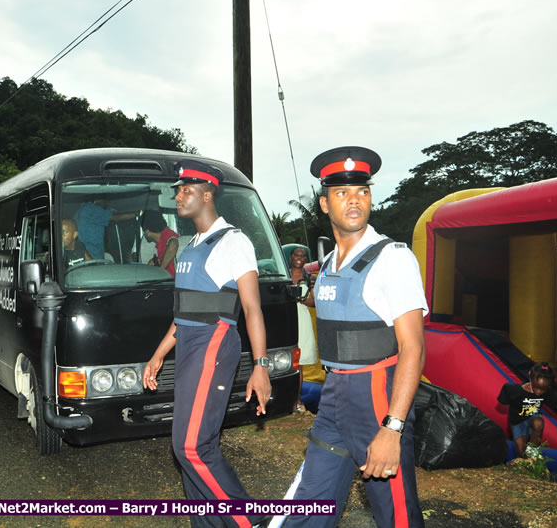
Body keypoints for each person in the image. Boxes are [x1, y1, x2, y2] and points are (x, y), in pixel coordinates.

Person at [281, 147, 428, 528]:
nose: (354, 199)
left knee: (395, 512)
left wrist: (392, 428)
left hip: (377, 394)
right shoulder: (329, 263)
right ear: (324, 204)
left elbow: (413, 348)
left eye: (362, 191)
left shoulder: (392, 258)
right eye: (342, 192)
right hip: (334, 393)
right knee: (309, 500)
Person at [142, 160, 270, 528]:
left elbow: (252, 309)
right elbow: (185, 313)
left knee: (191, 446)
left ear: (208, 194)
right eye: (178, 190)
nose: (178, 196)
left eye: (186, 190)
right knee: (190, 447)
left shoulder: (234, 241)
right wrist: (158, 354)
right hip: (189, 345)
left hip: (214, 343)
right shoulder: (190, 246)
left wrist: (260, 368)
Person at [497, 362, 557, 457]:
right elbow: (503, 397)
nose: (539, 392)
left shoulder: (547, 392)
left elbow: (556, 402)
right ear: (530, 379)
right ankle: (525, 459)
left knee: (538, 423)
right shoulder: (516, 390)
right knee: (521, 453)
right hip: (517, 421)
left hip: (532, 417)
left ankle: (533, 453)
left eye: (543, 389)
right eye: (536, 388)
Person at [289, 248, 316, 413]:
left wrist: (303, 300)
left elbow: (316, 302)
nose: (299, 258)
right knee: (286, 361)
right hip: (285, 318)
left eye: (303, 255)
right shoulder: (283, 273)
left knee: (298, 364)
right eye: (296, 255)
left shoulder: (310, 277)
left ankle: (296, 401)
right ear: (290, 257)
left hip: (302, 320)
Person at [141, 210, 179, 277]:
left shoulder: (167, 235)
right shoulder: (160, 241)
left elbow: (174, 244)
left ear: (147, 232)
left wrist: (160, 271)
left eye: (144, 231)